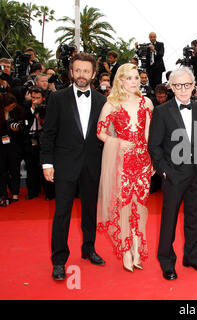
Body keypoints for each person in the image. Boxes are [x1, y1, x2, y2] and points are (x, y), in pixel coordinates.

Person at [40, 53, 107, 281]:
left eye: (86, 71)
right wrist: (47, 163)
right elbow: (48, 133)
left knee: (90, 212)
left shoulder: (101, 101)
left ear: (94, 74)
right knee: (62, 214)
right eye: (77, 70)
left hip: (92, 166)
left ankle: (89, 249)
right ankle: (59, 260)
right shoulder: (57, 98)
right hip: (65, 165)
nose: (81, 75)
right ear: (71, 72)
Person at [148, 66, 197, 281]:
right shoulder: (161, 111)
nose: (183, 89)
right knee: (169, 220)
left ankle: (193, 257)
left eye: (187, 85)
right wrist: (164, 171)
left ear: (194, 86)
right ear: (171, 87)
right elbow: (154, 146)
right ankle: (167, 262)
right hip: (174, 175)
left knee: (196, 219)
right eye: (178, 85)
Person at [96, 63, 154, 272]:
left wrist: (152, 159)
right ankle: (126, 250)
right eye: (129, 78)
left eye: (136, 77)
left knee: (140, 206)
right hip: (121, 162)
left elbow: (149, 134)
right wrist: (118, 142)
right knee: (124, 207)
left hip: (142, 162)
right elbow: (101, 133)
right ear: (120, 81)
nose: (134, 81)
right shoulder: (111, 104)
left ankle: (138, 249)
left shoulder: (146, 103)